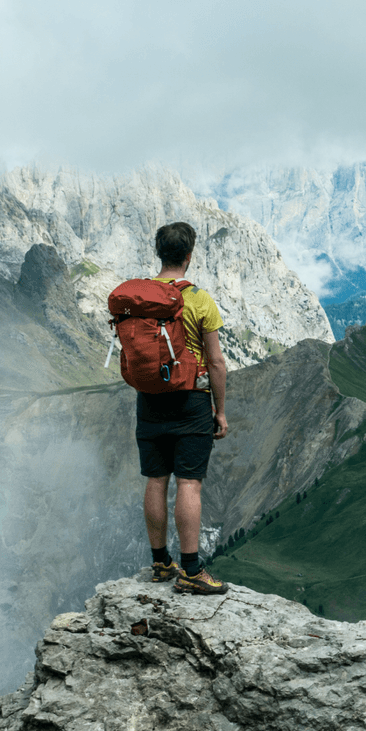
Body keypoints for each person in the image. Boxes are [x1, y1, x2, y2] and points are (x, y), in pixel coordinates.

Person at [136, 221, 230, 595]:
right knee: (189, 482)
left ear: (159, 253)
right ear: (189, 256)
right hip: (191, 400)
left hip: (150, 400)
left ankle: (160, 564)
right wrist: (219, 411)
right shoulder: (200, 300)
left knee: (156, 479)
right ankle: (191, 570)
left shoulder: (139, 298)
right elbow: (216, 362)